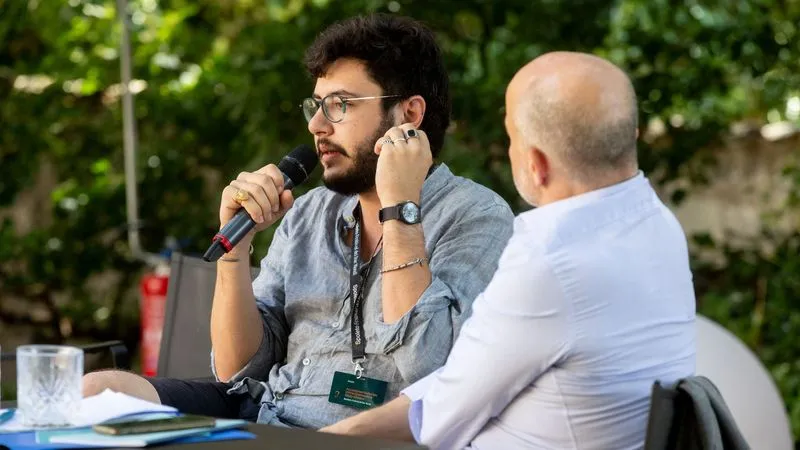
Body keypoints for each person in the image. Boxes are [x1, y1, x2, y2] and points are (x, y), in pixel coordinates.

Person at [82, 14, 514, 429]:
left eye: (340, 105)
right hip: (265, 414)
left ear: (409, 115)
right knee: (97, 391)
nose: (316, 125)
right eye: (316, 105)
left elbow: (431, 370)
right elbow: (237, 369)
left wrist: (400, 206)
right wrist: (238, 250)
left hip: (362, 432)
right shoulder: (310, 213)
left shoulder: (477, 217)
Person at [320, 51, 697, 449]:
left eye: (512, 138)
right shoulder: (657, 224)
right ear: (629, 137)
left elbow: (437, 418)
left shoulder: (550, 260)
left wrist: (302, 441)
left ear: (536, 164)